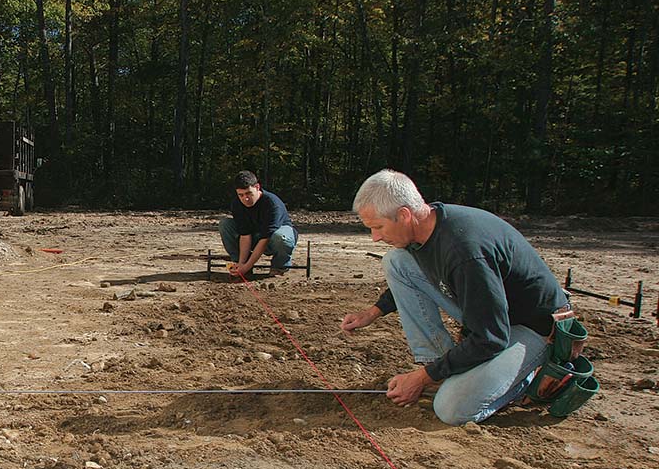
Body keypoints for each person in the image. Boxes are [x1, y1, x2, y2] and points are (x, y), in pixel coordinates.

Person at [340, 169, 571, 425]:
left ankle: (524, 378)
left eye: (378, 227)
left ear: (404, 215)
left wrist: (422, 378)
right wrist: (373, 312)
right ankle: (443, 366)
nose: (375, 237)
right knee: (397, 261)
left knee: (451, 409)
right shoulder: (427, 226)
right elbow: (418, 275)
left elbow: (490, 339)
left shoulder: (464, 252)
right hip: (492, 314)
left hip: (532, 327)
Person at [218, 171, 297, 277]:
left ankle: (280, 266)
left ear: (257, 187)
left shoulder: (272, 203)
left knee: (281, 237)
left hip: (273, 239)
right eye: (240, 195)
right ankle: (238, 265)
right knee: (225, 224)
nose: (245, 198)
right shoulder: (237, 204)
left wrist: (247, 266)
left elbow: (265, 239)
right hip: (255, 237)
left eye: (248, 193)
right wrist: (242, 264)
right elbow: (245, 235)